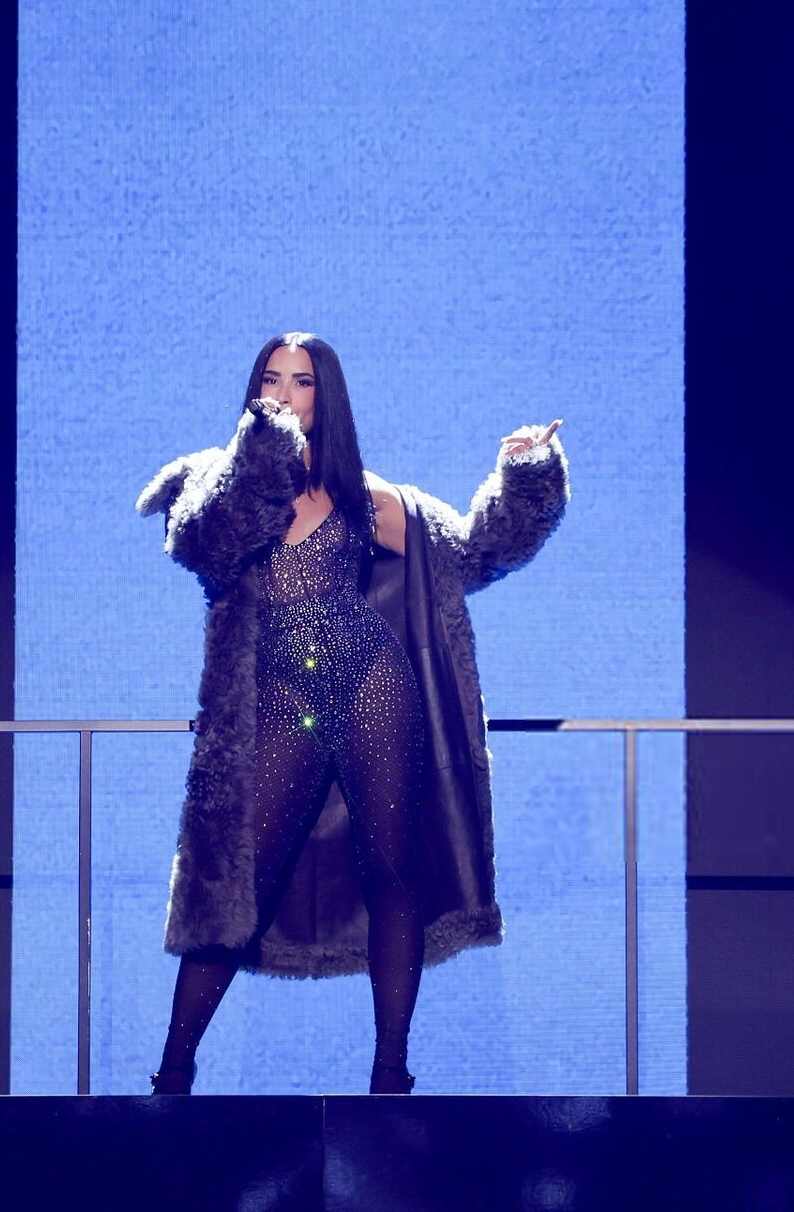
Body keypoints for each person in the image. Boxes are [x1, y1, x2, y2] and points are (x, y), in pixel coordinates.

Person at [135, 331, 568, 1095]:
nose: (283, 393)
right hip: (281, 698)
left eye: (301, 382)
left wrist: (527, 473)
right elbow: (204, 543)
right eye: (271, 379)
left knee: (392, 870)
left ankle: (391, 1075)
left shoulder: (368, 497)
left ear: (323, 397)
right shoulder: (213, 481)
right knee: (240, 877)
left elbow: (475, 554)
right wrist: (263, 455)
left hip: (373, 680)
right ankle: (173, 1074)